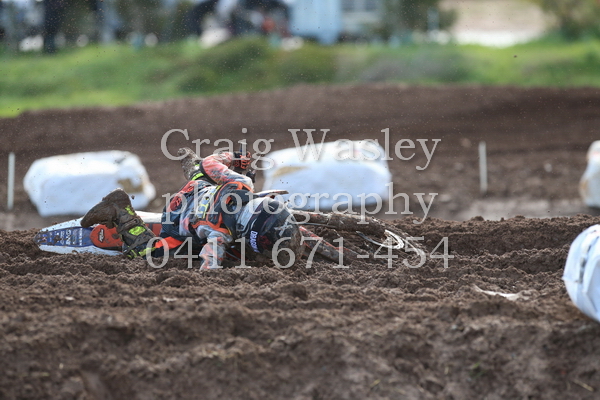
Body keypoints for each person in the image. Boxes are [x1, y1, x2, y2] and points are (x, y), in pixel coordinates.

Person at [80, 147, 302, 269]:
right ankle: (121, 212)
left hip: (193, 190)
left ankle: (193, 166)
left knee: (204, 174)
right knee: (151, 255)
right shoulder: (218, 234)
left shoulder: (242, 184)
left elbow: (210, 162)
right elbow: (209, 265)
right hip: (174, 223)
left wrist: (234, 158)